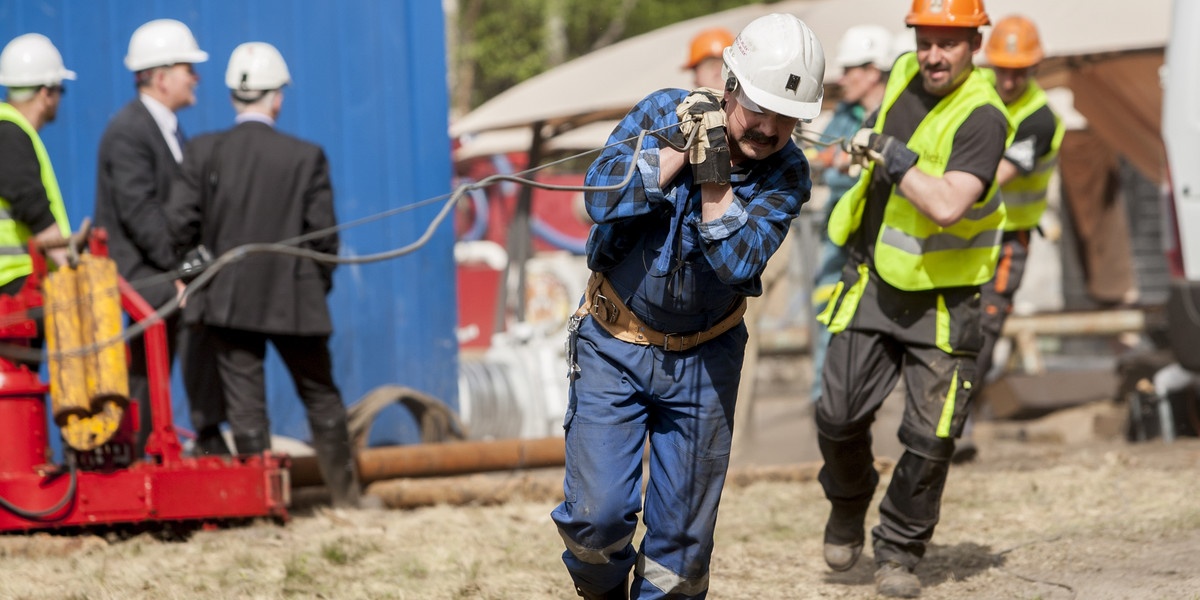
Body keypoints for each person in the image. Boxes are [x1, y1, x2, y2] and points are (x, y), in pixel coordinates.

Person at [552, 14, 824, 600]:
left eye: (787, 118)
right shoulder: (662, 111)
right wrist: (678, 150)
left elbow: (737, 263)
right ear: (730, 86)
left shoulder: (788, 174)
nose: (771, 128)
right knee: (597, 517)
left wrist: (715, 175)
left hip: (705, 360)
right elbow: (600, 197)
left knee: (680, 547)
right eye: (759, 109)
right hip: (613, 346)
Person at [815, 0, 1011, 596]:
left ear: (975, 43)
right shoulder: (901, 72)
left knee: (931, 439)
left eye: (947, 43)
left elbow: (950, 202)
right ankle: (848, 503)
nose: (932, 55)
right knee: (837, 415)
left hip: (946, 300)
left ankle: (898, 551)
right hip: (872, 279)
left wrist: (893, 157)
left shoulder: (984, 116)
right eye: (925, 40)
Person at [164, 42, 360, 508]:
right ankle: (348, 500)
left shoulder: (204, 151)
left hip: (228, 301)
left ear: (234, 95)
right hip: (296, 300)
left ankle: (263, 507)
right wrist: (314, 289)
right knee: (321, 396)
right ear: (277, 97)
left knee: (245, 405)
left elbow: (179, 226)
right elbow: (324, 239)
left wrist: (200, 276)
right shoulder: (305, 156)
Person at [93, 18, 228, 457]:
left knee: (167, 359)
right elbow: (140, 213)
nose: (196, 77)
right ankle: (140, 456)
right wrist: (175, 275)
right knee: (146, 372)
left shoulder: (163, 128)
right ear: (161, 75)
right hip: (137, 275)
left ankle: (192, 440)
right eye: (189, 67)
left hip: (157, 269)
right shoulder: (129, 130)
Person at [954, 15, 1064, 462]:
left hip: (1006, 240)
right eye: (1004, 67)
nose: (1011, 78)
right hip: (959, 230)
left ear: (1035, 67)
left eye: (1021, 69)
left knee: (984, 329)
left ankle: (956, 424)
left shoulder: (1040, 119)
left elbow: (994, 175)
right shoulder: (972, 86)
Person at [807, 24, 893, 402]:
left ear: (874, 71)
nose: (842, 79)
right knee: (830, 310)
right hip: (840, 231)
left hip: (886, 233)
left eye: (851, 69)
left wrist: (850, 158)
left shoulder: (899, 113)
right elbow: (823, 153)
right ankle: (823, 398)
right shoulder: (843, 115)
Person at [0, 34, 73, 297]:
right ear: (46, 93)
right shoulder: (8, 133)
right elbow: (33, 208)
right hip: (13, 284)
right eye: (60, 90)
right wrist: (71, 266)